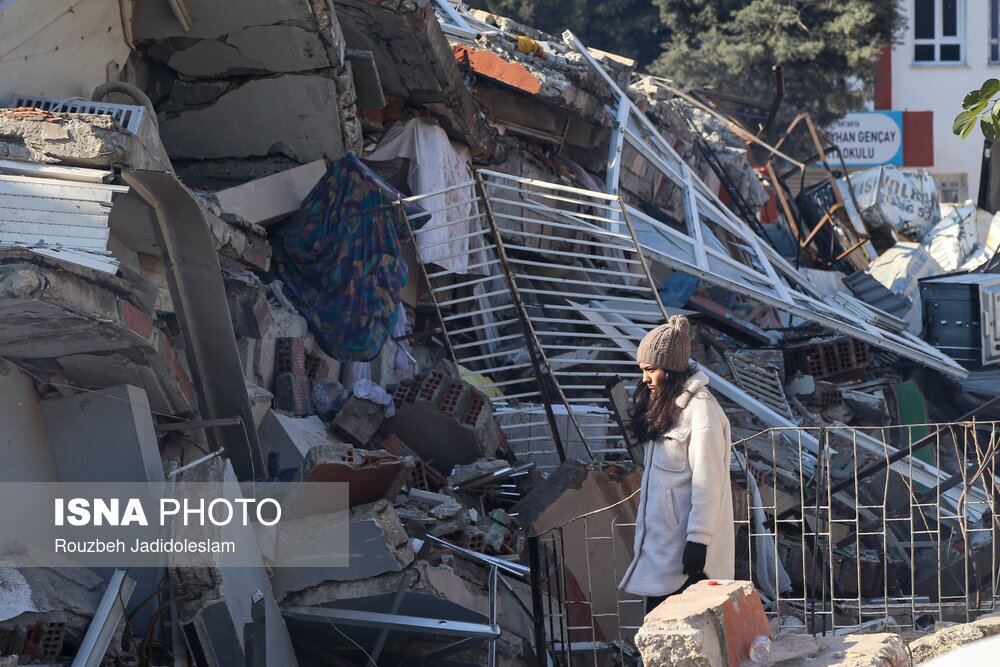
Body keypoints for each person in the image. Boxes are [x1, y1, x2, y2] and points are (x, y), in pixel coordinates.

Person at [618, 315, 735, 614]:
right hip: (663, 550)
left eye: (650, 370)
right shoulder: (666, 406)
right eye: (642, 370)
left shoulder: (701, 411)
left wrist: (699, 539)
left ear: (669, 370)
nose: (644, 378)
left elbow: (709, 482)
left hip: (687, 555)